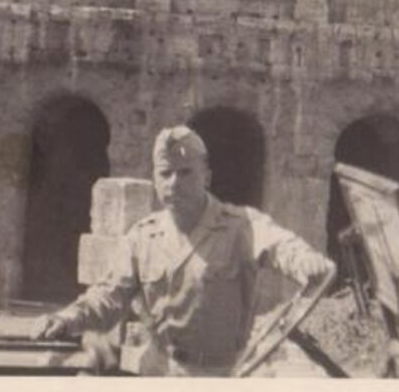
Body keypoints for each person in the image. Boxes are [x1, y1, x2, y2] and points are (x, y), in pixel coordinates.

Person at [33, 125, 333, 376]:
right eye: (166, 173)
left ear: (207, 177)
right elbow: (109, 297)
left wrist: (306, 262)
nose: (174, 183)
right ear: (155, 179)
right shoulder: (143, 236)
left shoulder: (241, 226)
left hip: (219, 373)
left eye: (186, 172)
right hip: (157, 370)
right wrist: (67, 319)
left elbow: (281, 245)